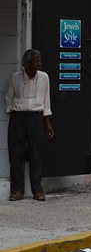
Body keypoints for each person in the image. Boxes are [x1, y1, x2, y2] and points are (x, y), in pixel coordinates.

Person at [5, 49, 54, 201]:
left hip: (36, 118)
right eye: (36, 61)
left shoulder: (44, 77)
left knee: (36, 154)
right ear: (26, 64)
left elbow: (46, 102)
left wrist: (48, 124)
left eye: (40, 60)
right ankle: (17, 191)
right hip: (18, 118)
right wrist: (12, 111)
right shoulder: (16, 77)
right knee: (16, 154)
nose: (39, 63)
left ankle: (37, 190)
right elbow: (8, 96)